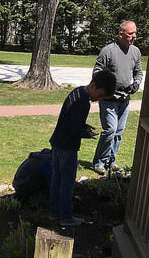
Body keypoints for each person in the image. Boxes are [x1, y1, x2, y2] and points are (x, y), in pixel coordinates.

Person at [50, 70, 116, 227]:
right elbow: (75, 129)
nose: (98, 99)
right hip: (67, 147)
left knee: (56, 179)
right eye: (99, 95)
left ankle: (54, 212)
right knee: (67, 183)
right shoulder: (83, 102)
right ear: (93, 85)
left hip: (57, 142)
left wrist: (84, 127)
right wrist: (86, 132)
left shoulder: (77, 92)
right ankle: (66, 216)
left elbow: (71, 120)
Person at [92, 20, 143, 175]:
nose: (133, 36)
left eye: (135, 33)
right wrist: (110, 86)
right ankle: (99, 162)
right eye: (130, 34)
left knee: (118, 133)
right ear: (121, 34)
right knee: (110, 130)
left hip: (124, 100)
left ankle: (111, 162)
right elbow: (97, 72)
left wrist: (136, 83)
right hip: (108, 99)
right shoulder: (108, 51)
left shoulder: (135, 52)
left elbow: (138, 72)